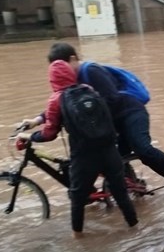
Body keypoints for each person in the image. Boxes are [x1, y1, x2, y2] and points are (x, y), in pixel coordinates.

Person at [22, 43, 164, 190]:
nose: (61, 71)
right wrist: (36, 120)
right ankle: (132, 185)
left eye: (63, 66)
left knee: (142, 149)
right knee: (112, 159)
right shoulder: (70, 82)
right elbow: (62, 104)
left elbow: (111, 99)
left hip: (130, 112)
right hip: (113, 122)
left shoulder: (91, 71)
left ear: (73, 59)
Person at [15, 60, 137, 238]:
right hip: (110, 150)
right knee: (121, 194)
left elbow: (49, 134)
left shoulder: (56, 99)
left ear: (52, 81)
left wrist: (30, 136)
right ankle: (135, 230)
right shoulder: (88, 89)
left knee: (77, 198)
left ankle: (78, 239)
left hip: (85, 156)